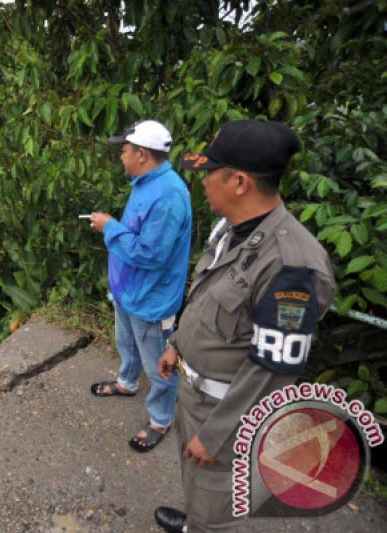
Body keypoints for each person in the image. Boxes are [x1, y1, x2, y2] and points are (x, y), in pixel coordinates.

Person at [153, 120, 336, 533]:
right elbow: (207, 298)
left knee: (217, 508)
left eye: (209, 173)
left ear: (238, 182)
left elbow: (275, 369)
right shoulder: (233, 231)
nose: (202, 182)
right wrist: (178, 346)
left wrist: (219, 435)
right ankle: (194, 520)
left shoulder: (290, 263)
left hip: (228, 417)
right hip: (196, 397)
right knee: (197, 485)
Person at [88, 120, 192, 453]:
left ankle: (161, 419)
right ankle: (127, 383)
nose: (121, 156)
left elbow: (151, 253)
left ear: (142, 155)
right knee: (126, 343)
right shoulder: (144, 182)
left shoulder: (168, 196)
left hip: (150, 298)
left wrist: (109, 227)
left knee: (157, 364)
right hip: (128, 291)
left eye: (125, 150)